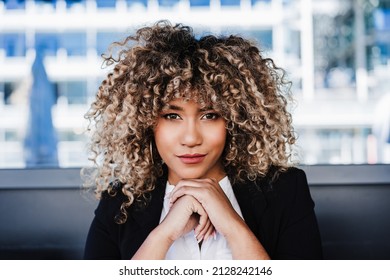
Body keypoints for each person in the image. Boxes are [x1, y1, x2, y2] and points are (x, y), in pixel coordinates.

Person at [82, 21, 323, 260]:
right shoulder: (119, 203)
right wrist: (163, 235)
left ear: (235, 120)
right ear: (145, 121)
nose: (190, 138)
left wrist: (231, 224)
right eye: (172, 116)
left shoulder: (285, 191)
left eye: (210, 116)